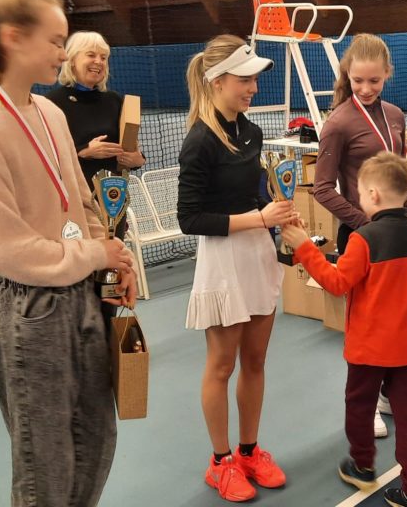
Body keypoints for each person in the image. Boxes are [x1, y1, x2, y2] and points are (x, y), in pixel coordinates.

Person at [0, 0, 136, 507]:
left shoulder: (50, 113)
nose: (63, 52)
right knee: (46, 471)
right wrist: (93, 253)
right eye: (56, 41)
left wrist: (112, 263)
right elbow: (8, 250)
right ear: (13, 38)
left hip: (84, 296)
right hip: (31, 313)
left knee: (95, 445)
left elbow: (82, 203)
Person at [177, 34, 296, 503]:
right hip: (222, 260)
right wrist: (258, 219)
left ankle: (248, 452)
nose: (253, 88)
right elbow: (190, 220)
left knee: (256, 360)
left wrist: (278, 211)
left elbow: (253, 194)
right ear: (217, 81)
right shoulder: (199, 141)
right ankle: (220, 462)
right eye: (244, 80)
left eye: (253, 79)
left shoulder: (252, 132)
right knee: (222, 365)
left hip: (257, 254)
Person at [283, 151, 407, 507]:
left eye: (360, 194)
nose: (359, 200)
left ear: (374, 195)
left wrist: (304, 247)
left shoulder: (363, 239)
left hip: (369, 348)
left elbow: (337, 283)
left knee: (360, 406)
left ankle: (363, 466)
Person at [312, 32, 407, 439]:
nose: (365, 89)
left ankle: (389, 396)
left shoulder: (396, 115)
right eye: (358, 81)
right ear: (347, 75)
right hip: (362, 236)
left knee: (399, 319)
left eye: (374, 81)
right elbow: (322, 189)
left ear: (387, 75)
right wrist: (366, 225)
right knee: (367, 325)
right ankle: (366, 404)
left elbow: (400, 172)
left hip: (398, 234)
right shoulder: (338, 122)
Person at [46, 31, 146, 318]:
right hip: (74, 210)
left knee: (109, 287)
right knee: (79, 286)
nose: (98, 62)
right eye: (91, 55)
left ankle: (107, 335)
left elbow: (132, 153)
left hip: (112, 209)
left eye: (104, 57)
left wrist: (136, 159)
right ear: (72, 59)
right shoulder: (52, 104)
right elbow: (45, 160)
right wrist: (83, 152)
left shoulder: (114, 101)